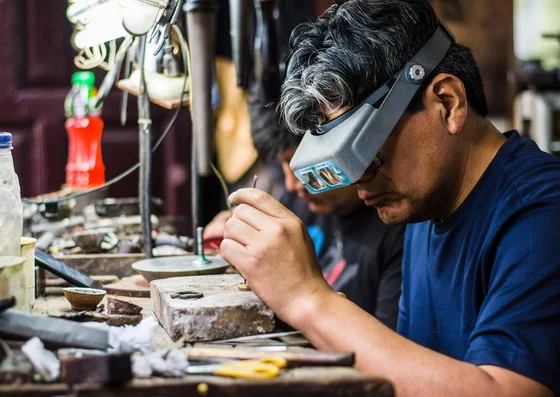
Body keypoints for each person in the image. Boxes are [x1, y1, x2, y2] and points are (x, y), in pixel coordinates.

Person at [219, 1, 560, 396]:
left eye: (364, 153)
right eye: (339, 162)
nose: (356, 181)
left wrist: (309, 298)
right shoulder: (423, 207)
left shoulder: (541, 212)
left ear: (447, 103)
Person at [207, 82, 406, 329]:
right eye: (284, 166)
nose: (293, 185)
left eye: (301, 165)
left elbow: (385, 352)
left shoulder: (397, 230)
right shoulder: (300, 203)